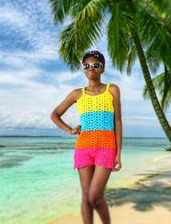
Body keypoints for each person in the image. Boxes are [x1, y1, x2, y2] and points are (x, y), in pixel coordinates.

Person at [50, 50, 122, 224]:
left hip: (106, 148)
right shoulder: (77, 93)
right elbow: (55, 114)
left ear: (102, 68)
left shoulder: (112, 90)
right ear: (83, 69)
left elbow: (118, 122)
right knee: (85, 197)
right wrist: (69, 130)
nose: (91, 68)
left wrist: (118, 153)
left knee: (95, 196)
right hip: (83, 148)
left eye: (96, 65)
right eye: (87, 65)